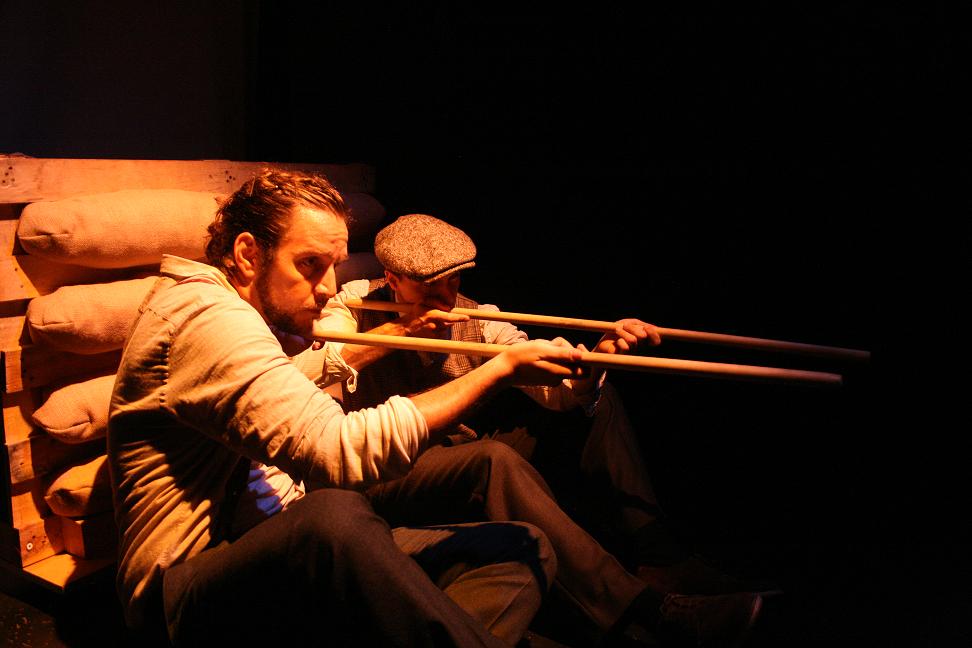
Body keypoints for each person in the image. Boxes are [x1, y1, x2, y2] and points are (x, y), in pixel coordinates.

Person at [107, 170, 593, 647]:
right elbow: (337, 450)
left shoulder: (252, 313)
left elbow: (291, 379)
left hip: (286, 533)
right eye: (309, 264)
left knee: (519, 549)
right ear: (249, 254)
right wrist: (499, 370)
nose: (326, 287)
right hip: (186, 589)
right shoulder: (205, 316)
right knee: (334, 516)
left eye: (333, 265)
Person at [310, 214, 766, 646]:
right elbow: (319, 365)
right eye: (431, 288)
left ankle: (658, 556)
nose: (447, 298)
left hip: (458, 450)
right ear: (392, 278)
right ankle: (646, 613)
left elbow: (556, 391)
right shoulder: (353, 304)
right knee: (492, 459)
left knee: (597, 404)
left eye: (454, 282)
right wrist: (401, 328)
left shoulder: (477, 317)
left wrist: (593, 363)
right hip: (389, 467)